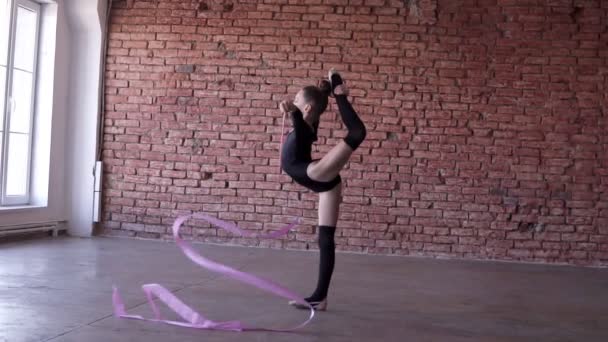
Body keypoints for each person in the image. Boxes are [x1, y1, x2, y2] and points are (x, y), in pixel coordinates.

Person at [279, 69, 366, 311]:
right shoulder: (310, 126)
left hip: (314, 173)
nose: (294, 101)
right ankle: (320, 298)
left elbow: (298, 117)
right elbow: (303, 114)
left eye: (297, 99)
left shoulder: (304, 127)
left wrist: (293, 109)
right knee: (325, 237)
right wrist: (305, 102)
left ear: (306, 108)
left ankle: (341, 93)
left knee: (358, 133)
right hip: (327, 184)